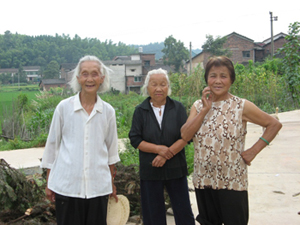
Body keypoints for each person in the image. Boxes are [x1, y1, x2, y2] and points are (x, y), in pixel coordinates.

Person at [181, 56, 282, 225]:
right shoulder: (198, 106)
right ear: (206, 79)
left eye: (223, 76)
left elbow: (273, 124)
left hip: (233, 182)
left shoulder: (241, 106)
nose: (218, 81)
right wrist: (205, 110)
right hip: (204, 180)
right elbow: (185, 135)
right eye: (213, 76)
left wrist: (253, 151)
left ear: (231, 80)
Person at [40, 55, 120, 225]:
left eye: (94, 74)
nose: (89, 79)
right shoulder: (64, 108)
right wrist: (49, 183)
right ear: (77, 78)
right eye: (84, 74)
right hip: (67, 187)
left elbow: (111, 152)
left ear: (102, 79)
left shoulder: (108, 112)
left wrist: (111, 183)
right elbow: (52, 146)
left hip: (98, 188)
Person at [129, 68, 195, 225]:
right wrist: (158, 149)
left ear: (168, 87)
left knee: (183, 211)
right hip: (150, 170)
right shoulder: (140, 111)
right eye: (154, 84)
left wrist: (167, 154)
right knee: (153, 214)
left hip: (176, 168)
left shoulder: (178, 108)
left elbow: (186, 137)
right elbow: (135, 139)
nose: (158, 88)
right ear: (147, 87)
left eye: (163, 84)